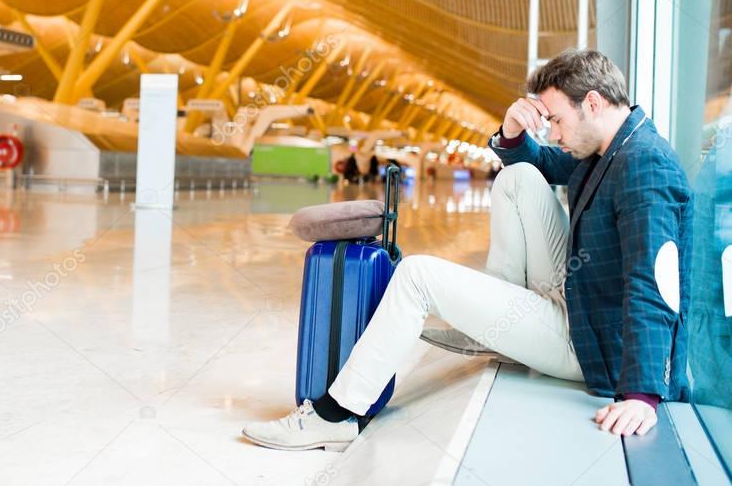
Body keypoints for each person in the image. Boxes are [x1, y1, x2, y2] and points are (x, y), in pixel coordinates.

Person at [242, 49, 692, 451]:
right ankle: (497, 326)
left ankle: (338, 415)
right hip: (581, 303)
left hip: (593, 346)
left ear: (592, 103)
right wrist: (514, 131)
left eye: (556, 120)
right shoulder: (609, 146)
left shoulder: (645, 164)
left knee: (417, 275)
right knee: (518, 178)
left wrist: (642, 394)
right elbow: (536, 162)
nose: (554, 133)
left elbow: (654, 282)